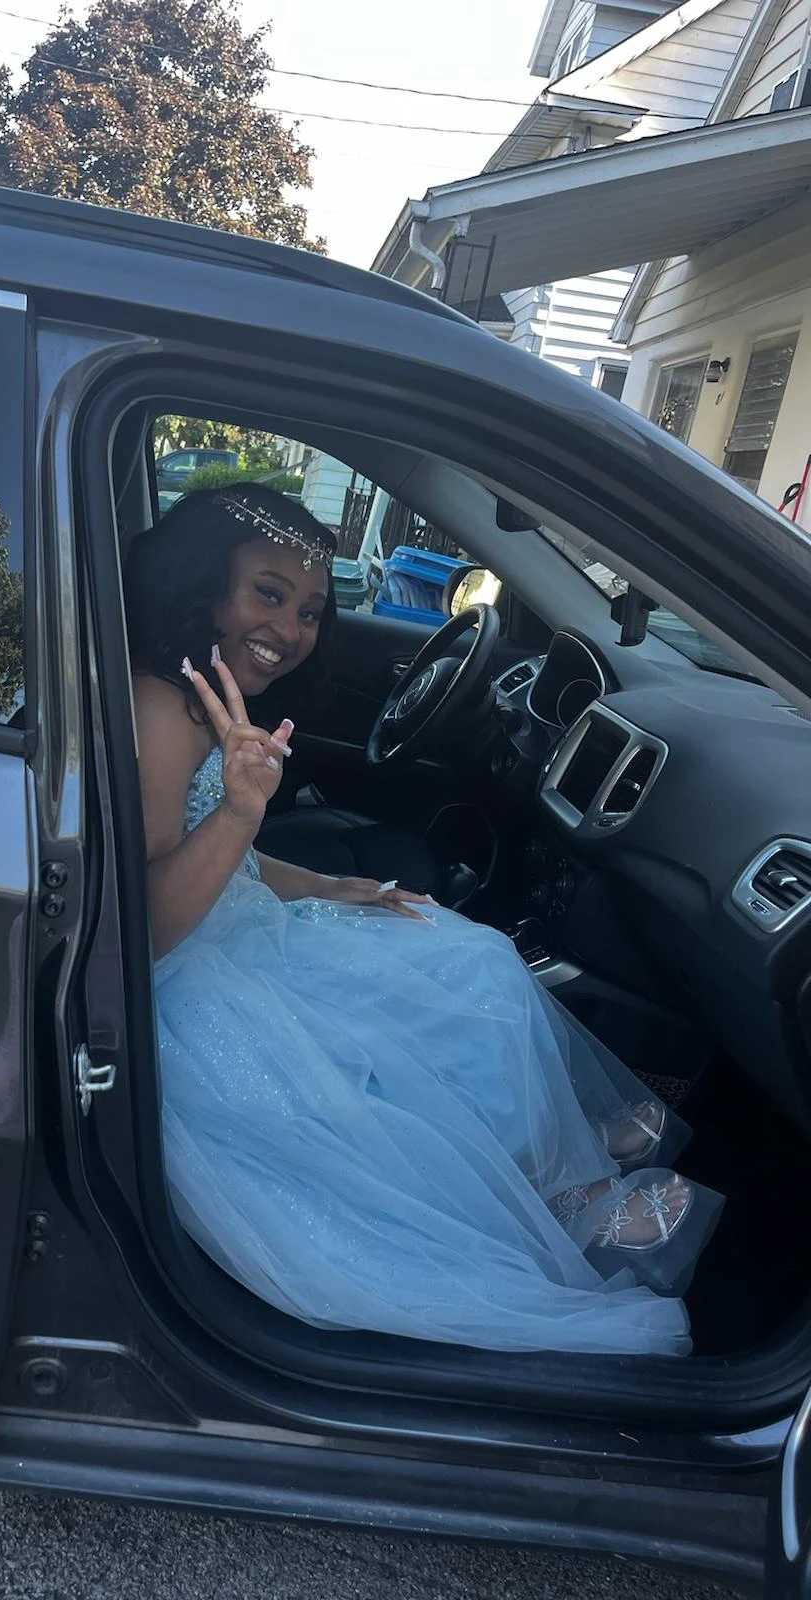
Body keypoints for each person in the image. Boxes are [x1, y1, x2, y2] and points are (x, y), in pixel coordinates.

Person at [126, 483, 721, 1357]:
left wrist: (334, 885)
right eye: (268, 593)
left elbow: (231, 865)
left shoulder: (200, 691)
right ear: (204, 585)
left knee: (463, 953)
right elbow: (144, 923)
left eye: (311, 610)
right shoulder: (160, 709)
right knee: (398, 1036)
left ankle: (551, 1166)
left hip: (237, 927)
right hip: (186, 981)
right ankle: (560, 1196)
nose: (290, 629)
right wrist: (242, 810)